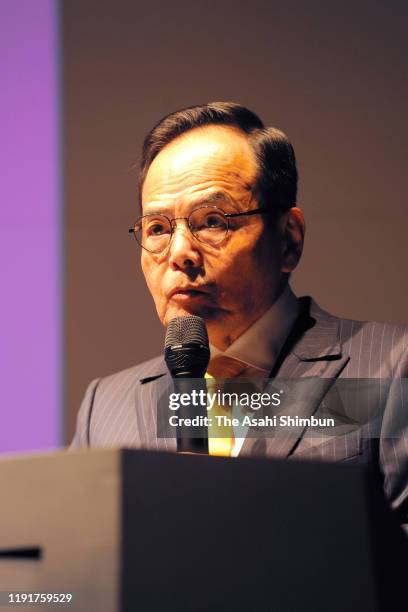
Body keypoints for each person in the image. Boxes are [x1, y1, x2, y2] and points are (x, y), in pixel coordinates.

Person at [70, 102, 407, 532]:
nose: (179, 254)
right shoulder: (106, 406)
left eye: (213, 220)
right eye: (157, 228)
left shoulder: (391, 370)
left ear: (288, 239)